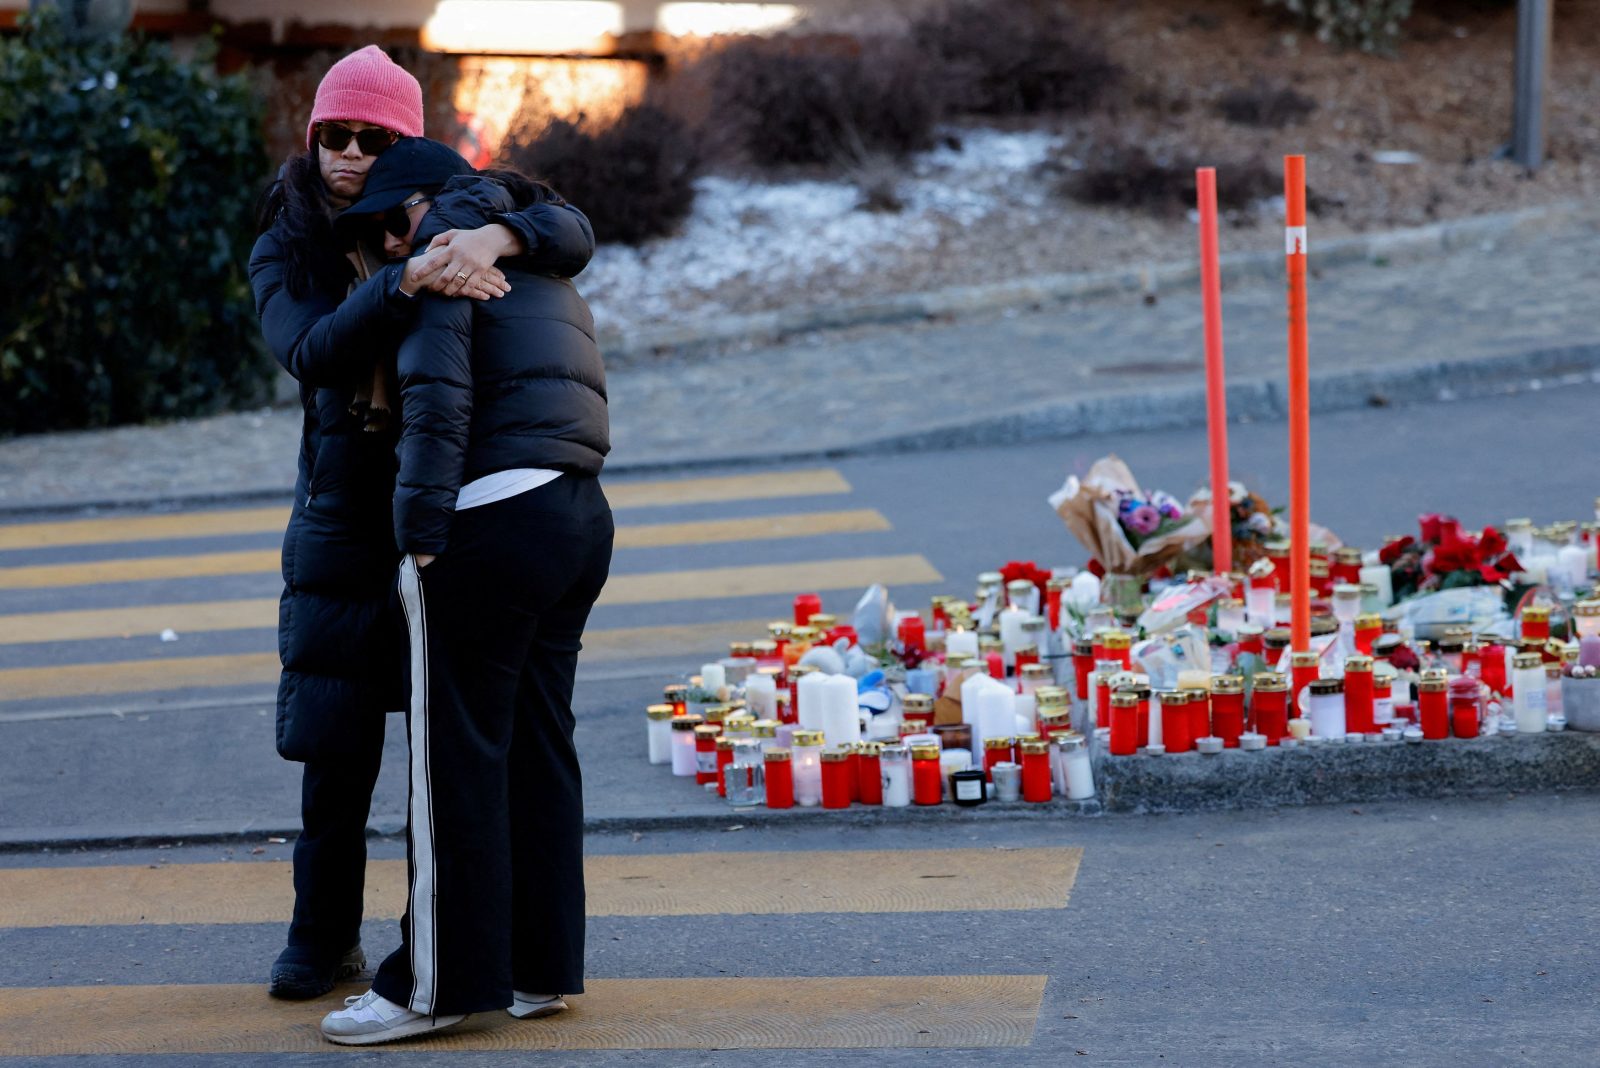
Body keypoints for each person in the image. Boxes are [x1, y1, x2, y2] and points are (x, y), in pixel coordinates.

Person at [248, 46, 597, 1001]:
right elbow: (310, 348)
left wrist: (493, 241)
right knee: (336, 747)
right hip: (343, 514)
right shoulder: (289, 237)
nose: (349, 154)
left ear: (405, 143)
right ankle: (321, 937)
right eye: (334, 134)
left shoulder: (441, 209)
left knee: (444, 756)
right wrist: (408, 281)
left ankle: (431, 945)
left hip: (445, 507)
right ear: (312, 136)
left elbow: (568, 227)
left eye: (373, 138)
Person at [316, 145, 612, 1045]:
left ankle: (431, 988)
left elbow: (437, 399)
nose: (389, 246)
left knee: (451, 765)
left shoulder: (446, 248)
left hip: (488, 520)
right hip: (576, 510)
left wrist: (419, 537)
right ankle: (536, 969)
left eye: (388, 223)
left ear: (419, 204)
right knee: (539, 749)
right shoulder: (529, 237)